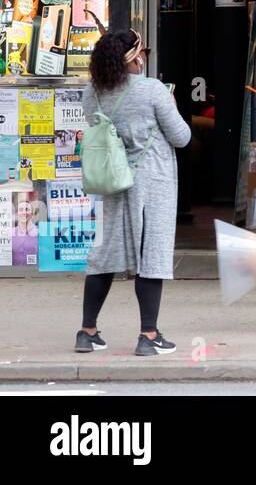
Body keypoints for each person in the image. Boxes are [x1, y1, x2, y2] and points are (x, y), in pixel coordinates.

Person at [77, 29, 191, 356]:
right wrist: (171, 103)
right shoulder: (153, 90)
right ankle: (149, 335)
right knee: (150, 254)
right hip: (151, 180)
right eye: (144, 53)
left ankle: (88, 331)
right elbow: (182, 137)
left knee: (107, 254)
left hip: (113, 178)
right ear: (135, 57)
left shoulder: (92, 93)